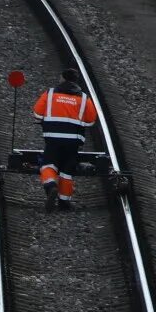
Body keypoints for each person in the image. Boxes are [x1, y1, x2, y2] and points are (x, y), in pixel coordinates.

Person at [33, 69, 99, 211]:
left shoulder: (50, 94)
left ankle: (51, 187)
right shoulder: (84, 98)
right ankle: (64, 203)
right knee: (66, 171)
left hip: (53, 139)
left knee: (48, 165)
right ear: (76, 81)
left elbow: (37, 114)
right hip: (73, 142)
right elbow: (91, 121)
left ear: (62, 78)